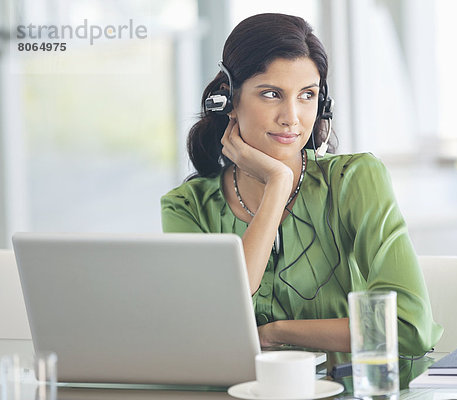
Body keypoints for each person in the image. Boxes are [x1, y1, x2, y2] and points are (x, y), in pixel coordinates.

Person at [161, 13, 442, 355]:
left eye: (307, 95)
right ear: (229, 99)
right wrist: (277, 184)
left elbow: (409, 328)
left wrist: (276, 333)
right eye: (271, 94)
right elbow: (208, 326)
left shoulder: (355, 180)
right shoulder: (187, 206)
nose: (291, 117)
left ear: (322, 103)